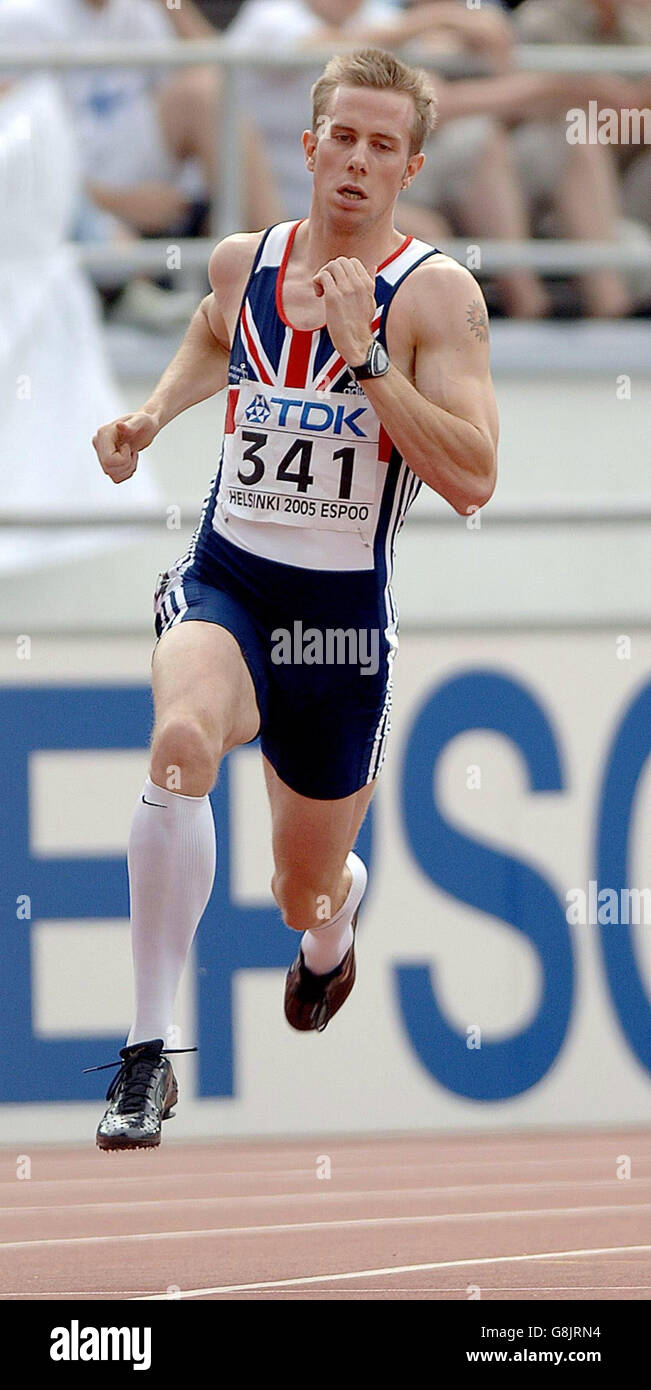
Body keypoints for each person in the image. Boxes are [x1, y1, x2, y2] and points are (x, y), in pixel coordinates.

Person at [91, 46, 498, 1150]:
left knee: (300, 891)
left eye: (382, 146)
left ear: (411, 166)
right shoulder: (243, 264)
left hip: (339, 629)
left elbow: (473, 477)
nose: (357, 162)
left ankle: (331, 932)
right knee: (180, 740)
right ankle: (145, 1056)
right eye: (342, 138)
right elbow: (211, 336)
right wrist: (153, 417)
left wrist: (368, 357)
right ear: (309, 146)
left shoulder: (437, 297)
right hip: (227, 577)